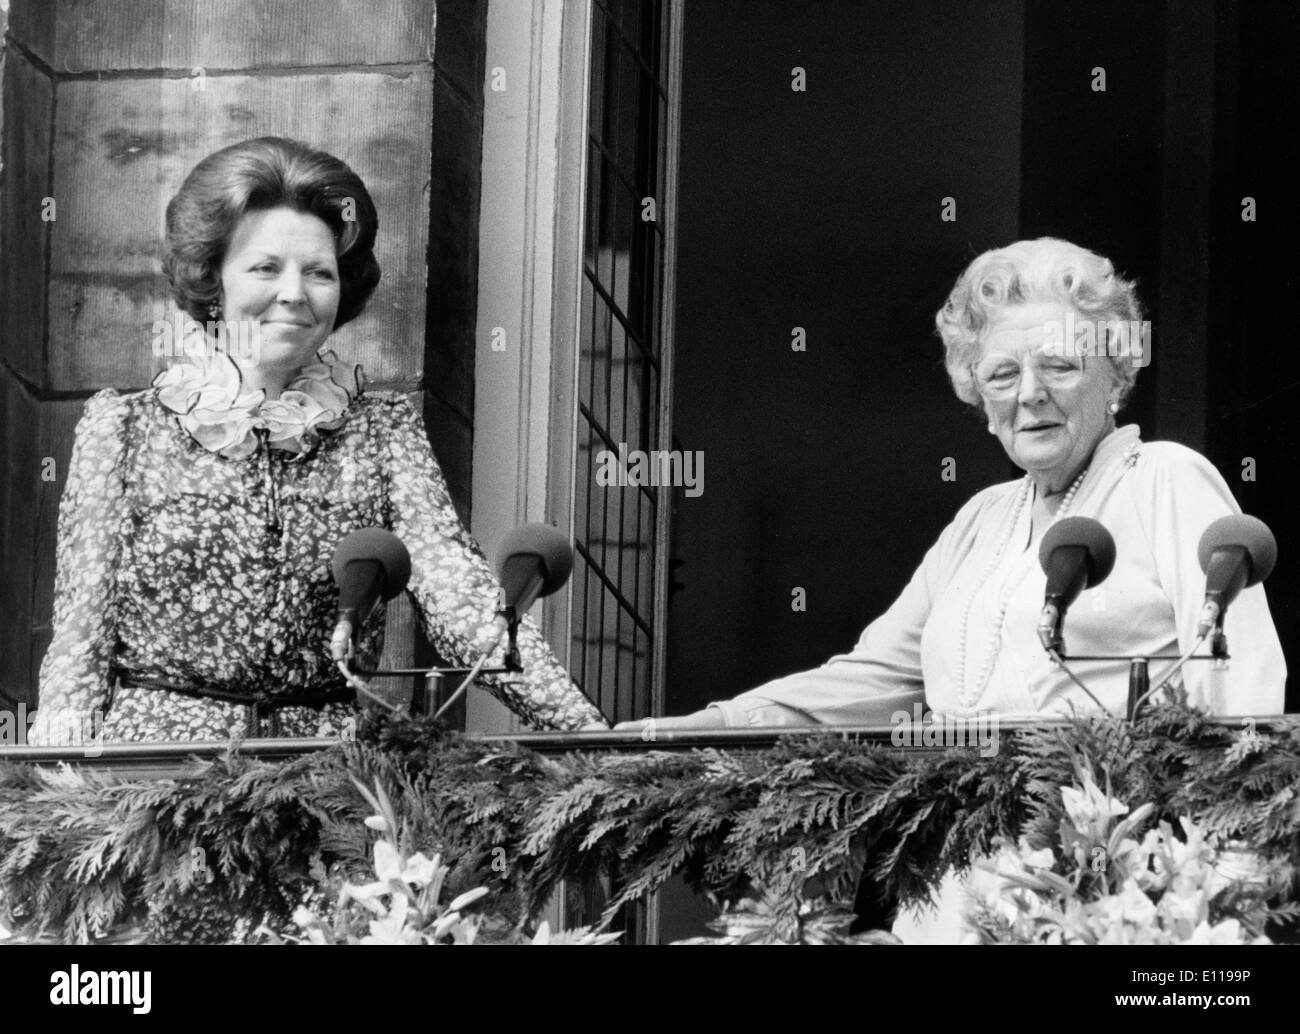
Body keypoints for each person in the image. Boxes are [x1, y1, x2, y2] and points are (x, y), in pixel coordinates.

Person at [29, 136, 608, 746]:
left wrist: (594, 738)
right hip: (157, 775)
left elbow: (461, 602)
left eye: (319, 272)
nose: (294, 293)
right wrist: (64, 788)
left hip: (333, 785)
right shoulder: (124, 428)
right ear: (212, 277)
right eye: (264, 267)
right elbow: (80, 638)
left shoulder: (382, 432)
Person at [619, 237, 1286, 732]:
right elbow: (877, 679)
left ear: (1114, 376)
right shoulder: (981, 520)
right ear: (979, 396)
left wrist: (1209, 880)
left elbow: (1241, 682)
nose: (1031, 395)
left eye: (1058, 364)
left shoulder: (1167, 480)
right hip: (955, 879)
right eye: (1002, 375)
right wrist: (702, 726)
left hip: (1107, 873)